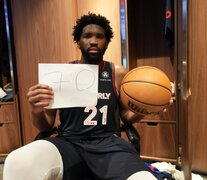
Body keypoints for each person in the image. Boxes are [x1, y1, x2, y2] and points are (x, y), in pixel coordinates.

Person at [3, 12, 159, 180]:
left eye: (100, 36)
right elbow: (46, 126)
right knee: (17, 161)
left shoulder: (117, 73)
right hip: (68, 143)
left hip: (109, 144)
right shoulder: (60, 73)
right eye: (87, 36)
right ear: (78, 41)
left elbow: (126, 117)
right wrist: (35, 109)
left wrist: (146, 108)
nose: (93, 41)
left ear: (106, 42)